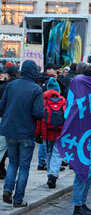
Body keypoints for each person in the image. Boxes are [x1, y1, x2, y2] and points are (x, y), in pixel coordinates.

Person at [0, 60, 44, 207]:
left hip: (9, 130)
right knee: (24, 166)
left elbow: (2, 106)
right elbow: (38, 113)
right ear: (33, 71)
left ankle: (7, 189)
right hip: (25, 132)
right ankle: (18, 199)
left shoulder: (11, 85)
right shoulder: (36, 89)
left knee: (12, 162)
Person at [35, 77, 66, 189]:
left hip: (45, 132)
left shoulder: (42, 101)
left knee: (48, 153)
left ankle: (50, 174)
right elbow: (67, 117)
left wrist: (36, 133)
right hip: (59, 132)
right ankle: (53, 175)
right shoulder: (63, 100)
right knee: (57, 154)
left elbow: (39, 119)